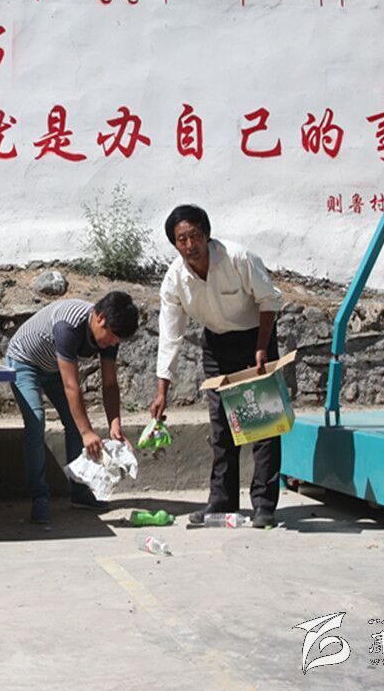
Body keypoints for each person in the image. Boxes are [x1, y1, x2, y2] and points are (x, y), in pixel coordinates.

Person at [149, 205, 283, 528]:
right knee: (222, 427)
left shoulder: (238, 258)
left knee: (263, 424)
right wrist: (162, 389)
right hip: (216, 345)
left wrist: (262, 347)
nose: (189, 245)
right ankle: (222, 499)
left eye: (195, 236)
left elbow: (269, 300)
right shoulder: (175, 280)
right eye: (181, 239)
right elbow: (170, 334)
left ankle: (264, 505)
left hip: (256, 338)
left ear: (206, 234)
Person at [7, 291, 140, 524]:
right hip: (25, 360)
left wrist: (115, 423)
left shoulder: (110, 335)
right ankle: (40, 497)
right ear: (99, 318)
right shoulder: (68, 326)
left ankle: (79, 492)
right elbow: (71, 385)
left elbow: (110, 383)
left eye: (119, 339)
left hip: (54, 367)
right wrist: (87, 432)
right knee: (36, 420)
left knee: (74, 421)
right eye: (113, 336)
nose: (114, 342)